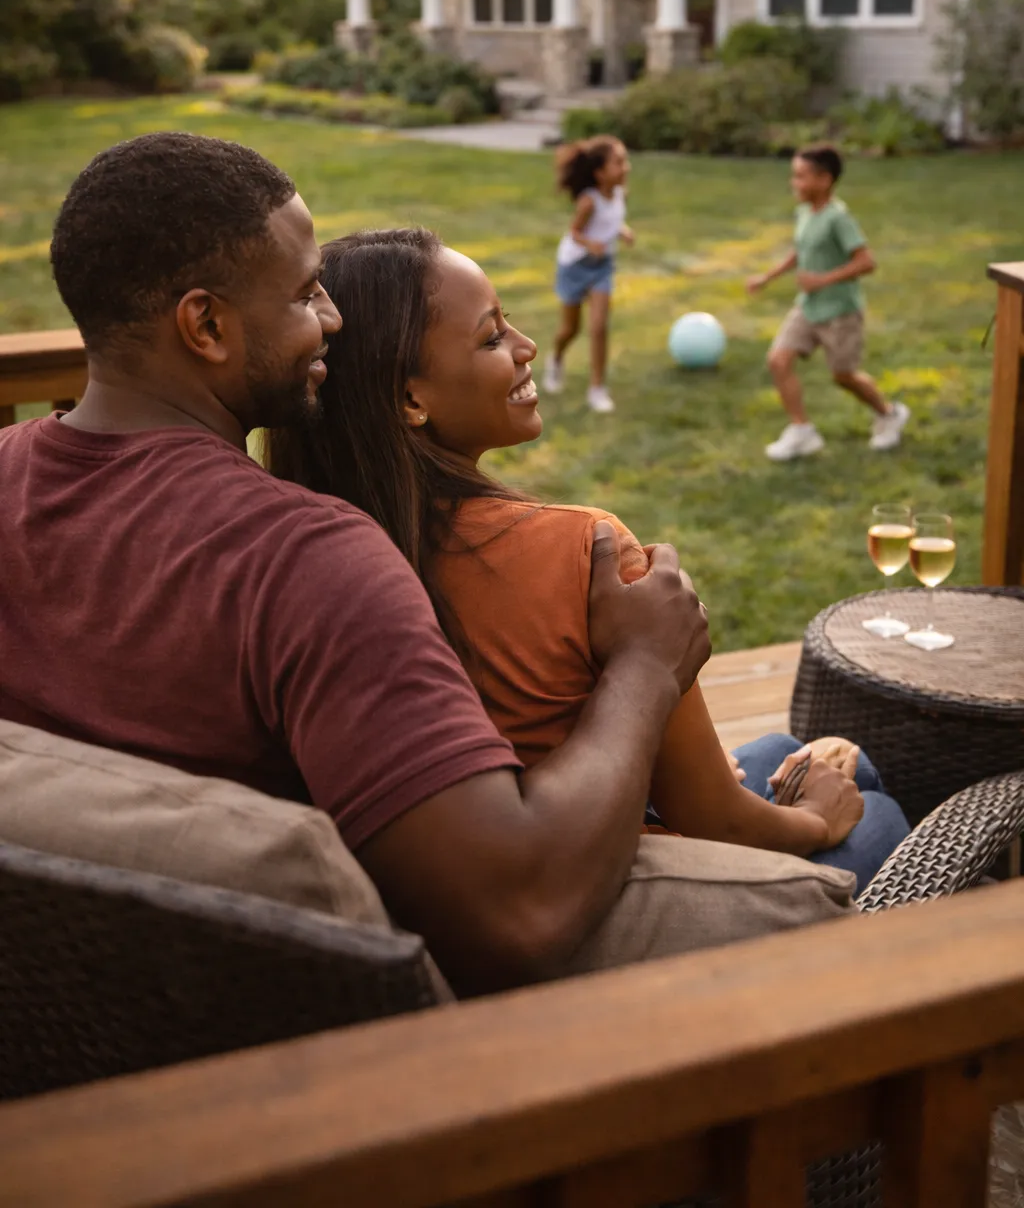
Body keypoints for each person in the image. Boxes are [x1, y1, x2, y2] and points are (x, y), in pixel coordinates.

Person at [0, 131, 849, 1002]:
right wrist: (644, 667)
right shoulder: (304, 561)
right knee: (873, 814)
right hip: (331, 1067)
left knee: (779, 750)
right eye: (304, 295)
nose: (331, 318)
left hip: (75, 1014)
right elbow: (517, 914)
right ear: (207, 325)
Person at [267, 228, 908, 895]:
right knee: (871, 803)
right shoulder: (589, 554)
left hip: (503, 853)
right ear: (410, 400)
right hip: (626, 877)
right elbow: (716, 820)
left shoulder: (327, 547)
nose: (526, 346)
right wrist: (816, 820)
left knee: (783, 754)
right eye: (491, 337)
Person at [747, 144, 910, 462]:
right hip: (808, 307)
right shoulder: (805, 212)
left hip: (840, 312)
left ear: (824, 180)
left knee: (843, 375)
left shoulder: (839, 218)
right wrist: (768, 277)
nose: (794, 183)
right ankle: (802, 431)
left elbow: (866, 262)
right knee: (778, 360)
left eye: (800, 177)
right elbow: (800, 250)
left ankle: (889, 414)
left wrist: (822, 280)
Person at [543, 135, 634, 415]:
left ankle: (597, 389)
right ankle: (556, 358)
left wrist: (622, 230)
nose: (626, 167)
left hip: (602, 266)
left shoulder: (619, 193)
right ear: (600, 174)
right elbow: (575, 233)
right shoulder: (588, 202)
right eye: (618, 163)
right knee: (571, 329)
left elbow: (612, 219)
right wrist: (590, 243)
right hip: (574, 266)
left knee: (599, 326)